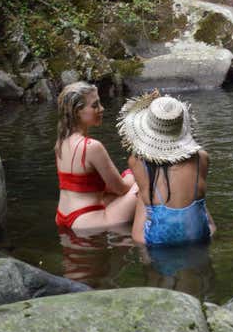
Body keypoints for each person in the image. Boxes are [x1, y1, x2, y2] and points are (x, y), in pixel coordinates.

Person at [117, 93, 216, 246]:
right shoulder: (201, 157)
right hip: (200, 234)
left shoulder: (136, 161)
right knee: (197, 198)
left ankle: (148, 263)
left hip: (157, 239)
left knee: (142, 192)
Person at [54, 81, 138, 230]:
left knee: (114, 192)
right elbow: (121, 189)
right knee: (147, 180)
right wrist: (134, 174)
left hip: (63, 216)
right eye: (95, 105)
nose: (102, 109)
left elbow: (89, 186)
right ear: (77, 112)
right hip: (86, 221)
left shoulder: (61, 142)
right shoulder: (91, 146)